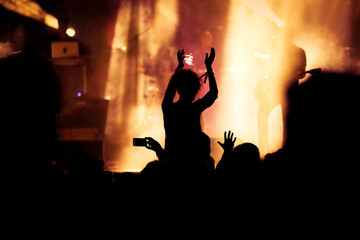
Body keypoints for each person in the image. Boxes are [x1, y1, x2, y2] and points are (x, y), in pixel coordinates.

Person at [161, 48, 218, 173]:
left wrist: (179, 69)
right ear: (195, 90)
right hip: (194, 167)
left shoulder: (168, 108)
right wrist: (209, 67)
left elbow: (169, 91)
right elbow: (213, 93)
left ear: (179, 89)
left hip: (172, 166)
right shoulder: (194, 109)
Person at [255, 26, 306, 152]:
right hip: (275, 90)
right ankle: (263, 148)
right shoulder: (277, 51)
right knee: (262, 113)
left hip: (290, 91)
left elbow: (303, 72)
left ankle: (287, 150)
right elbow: (272, 68)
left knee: (288, 121)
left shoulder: (299, 52)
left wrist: (297, 75)